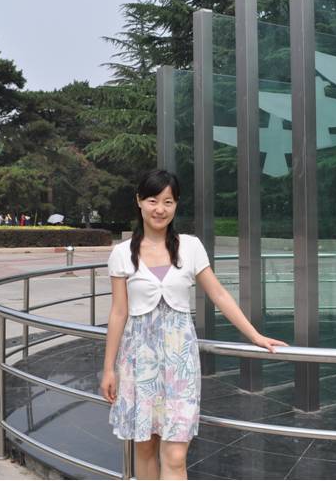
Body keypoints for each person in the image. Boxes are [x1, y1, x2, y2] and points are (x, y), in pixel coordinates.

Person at [100, 169, 286, 480]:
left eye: (168, 202)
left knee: (175, 454)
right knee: (145, 448)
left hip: (180, 364)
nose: (160, 209)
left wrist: (254, 335)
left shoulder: (190, 247)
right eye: (153, 200)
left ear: (176, 205)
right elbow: (119, 313)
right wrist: (109, 369)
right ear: (139, 201)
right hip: (137, 361)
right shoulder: (121, 254)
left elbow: (219, 294)